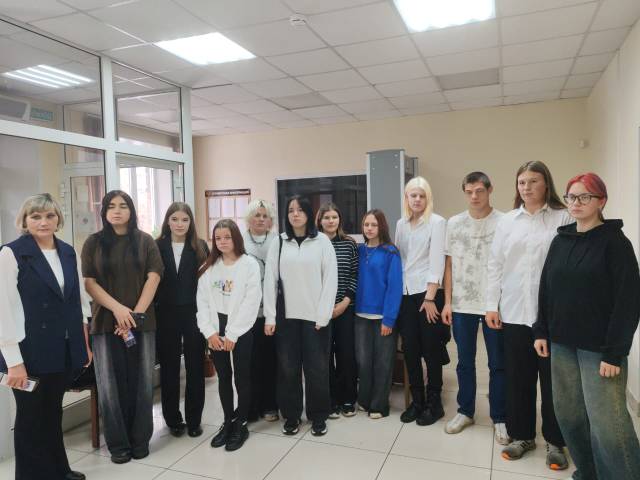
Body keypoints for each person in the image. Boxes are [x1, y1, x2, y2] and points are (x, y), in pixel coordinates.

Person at [534, 173, 640, 480]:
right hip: (561, 343)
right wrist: (541, 330)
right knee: (569, 416)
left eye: (585, 197)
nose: (576, 203)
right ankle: (589, 472)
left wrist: (614, 353)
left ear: (601, 201)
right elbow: (547, 289)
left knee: (608, 424)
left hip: (599, 350)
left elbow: (628, 301)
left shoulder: (615, 244)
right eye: (571, 197)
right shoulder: (561, 240)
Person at [486, 161, 571, 470]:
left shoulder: (563, 217)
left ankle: (555, 441)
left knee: (553, 383)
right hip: (514, 313)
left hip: (551, 318)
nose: (526, 187)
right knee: (518, 379)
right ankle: (522, 436)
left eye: (533, 181)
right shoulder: (508, 221)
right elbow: (495, 264)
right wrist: (491, 304)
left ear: (546, 183)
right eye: (522, 182)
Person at [0, 193, 91, 480]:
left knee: (53, 412)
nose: (43, 222)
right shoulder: (11, 253)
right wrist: (14, 362)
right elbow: (4, 310)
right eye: (36, 216)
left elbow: (78, 302)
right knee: (30, 417)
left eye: (49, 216)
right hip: (27, 353)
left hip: (62, 349)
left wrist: (84, 344)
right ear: (25, 220)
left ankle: (58, 470)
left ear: (58, 219)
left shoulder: (67, 251)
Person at [81, 190, 163, 464]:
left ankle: (140, 441)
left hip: (142, 323)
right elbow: (90, 283)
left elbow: (154, 278)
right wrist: (118, 310)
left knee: (142, 381)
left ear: (131, 211)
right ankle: (118, 445)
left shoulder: (145, 241)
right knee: (109, 386)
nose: (117, 211)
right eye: (111, 206)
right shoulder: (93, 243)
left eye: (123, 206)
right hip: (105, 323)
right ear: (104, 211)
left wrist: (134, 315)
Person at [263, 195, 338, 437]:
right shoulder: (279, 242)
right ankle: (292, 416)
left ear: (308, 213)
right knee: (288, 369)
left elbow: (331, 280)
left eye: (300, 210)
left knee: (317, 369)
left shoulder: (322, 242)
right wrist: (270, 317)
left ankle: (319, 416)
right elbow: (270, 281)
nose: (295, 214)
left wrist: (324, 315)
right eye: (291, 210)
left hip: (316, 318)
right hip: (287, 317)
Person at [441, 172, 508, 444]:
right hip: (462, 304)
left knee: (498, 364)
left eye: (479, 190)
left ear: (490, 190)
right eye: (469, 191)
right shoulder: (454, 223)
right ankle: (465, 411)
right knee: (464, 362)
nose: (474, 196)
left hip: (494, 305)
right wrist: (447, 301)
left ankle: (500, 416)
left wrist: (501, 303)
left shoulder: (504, 222)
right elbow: (448, 265)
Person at [197, 219, 261, 452]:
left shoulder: (249, 264)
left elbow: (251, 301)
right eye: (218, 238)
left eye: (227, 237)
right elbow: (202, 302)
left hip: (241, 328)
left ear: (236, 238)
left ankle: (241, 423)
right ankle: (227, 422)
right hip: (216, 329)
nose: (222, 241)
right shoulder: (209, 266)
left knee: (242, 377)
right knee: (224, 377)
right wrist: (210, 332)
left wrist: (233, 333)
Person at [395, 176, 448, 426]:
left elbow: (437, 262)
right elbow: (399, 259)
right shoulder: (401, 224)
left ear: (428, 198)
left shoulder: (437, 222)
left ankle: (434, 403)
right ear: (406, 198)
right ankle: (417, 401)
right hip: (405, 294)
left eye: (421, 195)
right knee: (411, 349)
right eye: (412, 195)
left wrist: (430, 297)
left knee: (431, 349)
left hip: (428, 295)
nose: (417, 199)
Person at [156, 202, 209, 438]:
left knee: (196, 367)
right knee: (169, 369)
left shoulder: (200, 246)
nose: (180, 224)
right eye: (175, 219)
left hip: (194, 314)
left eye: (185, 220)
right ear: (168, 221)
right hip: (165, 314)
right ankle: (173, 420)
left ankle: (194, 420)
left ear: (191, 222)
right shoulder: (156, 246)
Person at [354, 209, 403, 419]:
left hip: (383, 317)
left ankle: (379, 405)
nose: (369, 228)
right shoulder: (359, 250)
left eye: (374, 224)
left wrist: (389, 319)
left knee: (383, 362)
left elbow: (394, 287)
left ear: (381, 226)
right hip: (360, 316)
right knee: (363, 362)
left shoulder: (391, 252)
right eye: (366, 224)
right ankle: (364, 400)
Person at [316, 203, 359, 418]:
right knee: (324, 357)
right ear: (320, 221)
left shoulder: (349, 244)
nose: (331, 221)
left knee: (346, 355)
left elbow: (355, 275)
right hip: (320, 310)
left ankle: (348, 399)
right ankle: (330, 400)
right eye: (326, 217)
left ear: (339, 219)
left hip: (345, 308)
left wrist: (344, 303)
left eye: (334, 217)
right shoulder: (314, 244)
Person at [242, 199, 279, 422]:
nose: (261, 219)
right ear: (249, 218)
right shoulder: (240, 240)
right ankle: (250, 407)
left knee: (270, 361)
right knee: (249, 362)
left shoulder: (277, 240)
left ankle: (270, 405)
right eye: (257, 215)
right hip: (247, 312)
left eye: (265, 216)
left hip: (271, 312)